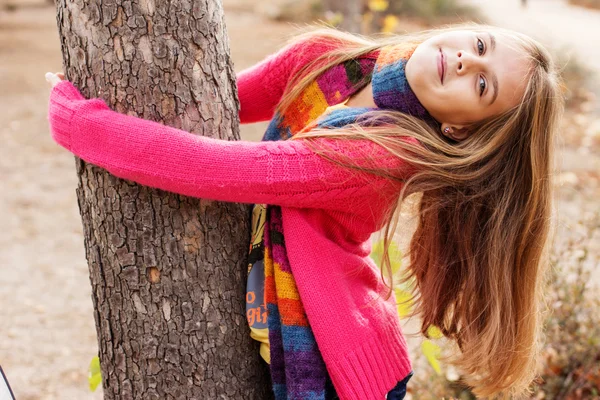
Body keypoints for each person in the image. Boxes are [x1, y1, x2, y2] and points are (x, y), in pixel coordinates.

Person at [45, 22, 563, 399]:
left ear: (461, 129)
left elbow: (220, 168)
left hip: (334, 366)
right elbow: (218, 102)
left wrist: (85, 127)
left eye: (481, 84)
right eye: (479, 45)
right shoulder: (329, 59)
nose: (466, 61)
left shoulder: (380, 156)